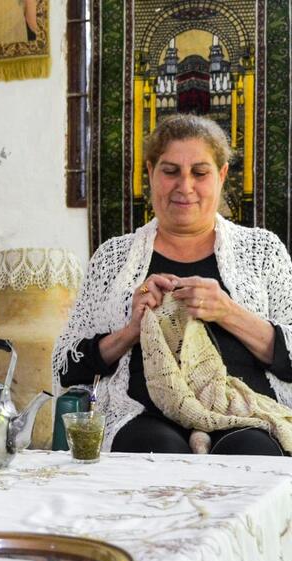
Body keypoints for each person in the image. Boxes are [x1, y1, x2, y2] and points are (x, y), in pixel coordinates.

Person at [53, 113, 292, 456]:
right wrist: (130, 331)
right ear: (149, 173)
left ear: (222, 176)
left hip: (246, 412)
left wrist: (227, 311)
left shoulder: (263, 251)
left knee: (252, 450)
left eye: (200, 172)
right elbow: (66, 365)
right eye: (170, 171)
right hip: (143, 414)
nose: (185, 186)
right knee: (154, 449)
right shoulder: (113, 258)